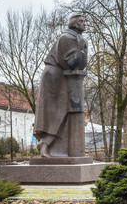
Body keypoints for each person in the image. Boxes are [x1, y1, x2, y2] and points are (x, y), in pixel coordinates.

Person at [33, 14, 88, 158]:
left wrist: (82, 48)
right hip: (55, 77)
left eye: (84, 21)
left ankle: (46, 144)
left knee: (63, 111)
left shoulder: (77, 39)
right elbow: (72, 62)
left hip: (65, 77)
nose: (84, 24)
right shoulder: (67, 38)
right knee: (56, 112)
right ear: (74, 24)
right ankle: (46, 144)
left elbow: (81, 64)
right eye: (81, 22)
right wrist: (81, 48)